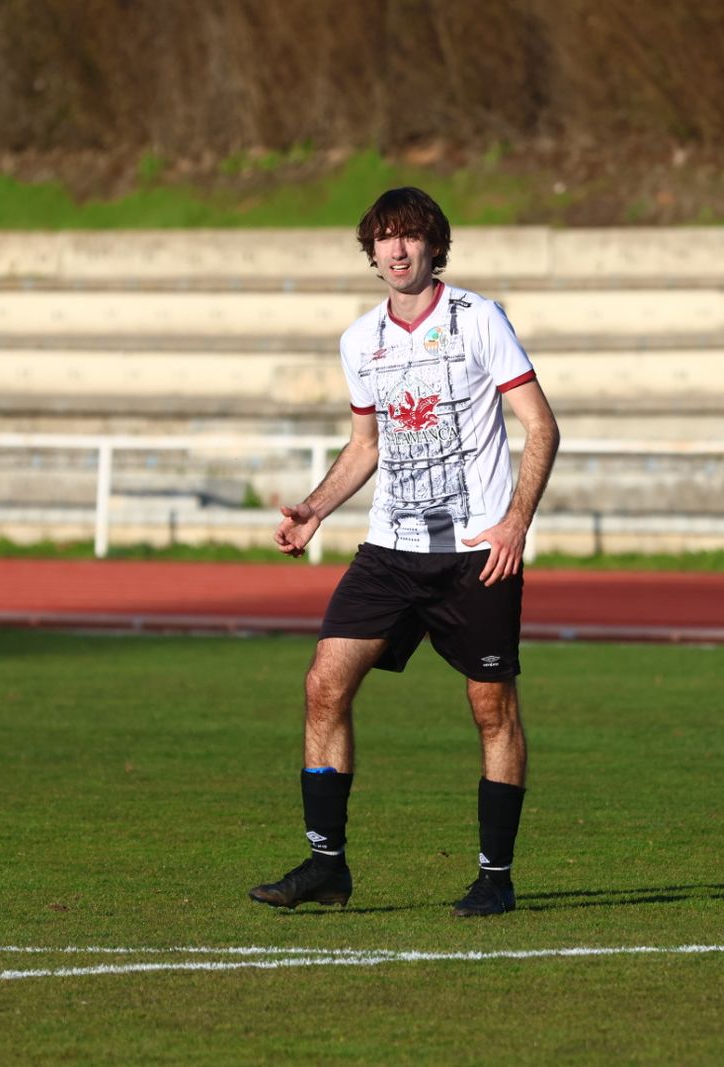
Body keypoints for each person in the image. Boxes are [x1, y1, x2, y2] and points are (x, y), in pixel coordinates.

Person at [248, 187, 560, 917]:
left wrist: (515, 521)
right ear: (371, 252)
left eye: (410, 236)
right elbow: (366, 445)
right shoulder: (360, 342)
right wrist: (314, 510)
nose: (396, 250)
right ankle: (327, 862)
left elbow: (541, 426)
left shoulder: (480, 320)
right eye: (383, 239)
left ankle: (495, 875)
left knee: (491, 709)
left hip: (475, 554)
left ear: (434, 245)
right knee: (325, 682)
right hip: (391, 549)